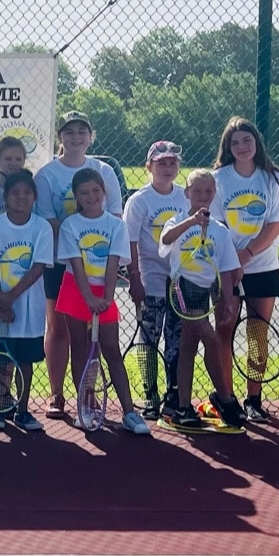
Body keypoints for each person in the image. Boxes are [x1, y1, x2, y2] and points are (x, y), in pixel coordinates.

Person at [36, 110, 126, 419]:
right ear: (60, 136)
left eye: (81, 131)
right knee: (58, 327)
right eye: (69, 131)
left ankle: (88, 396)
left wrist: (91, 246)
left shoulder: (104, 170)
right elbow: (49, 220)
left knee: (93, 332)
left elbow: (113, 214)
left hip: (97, 265)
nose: (75, 137)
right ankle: (57, 394)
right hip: (62, 262)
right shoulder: (46, 174)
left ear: (90, 136)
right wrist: (75, 241)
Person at [56, 166, 151, 435]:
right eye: (84, 192)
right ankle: (85, 406)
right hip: (75, 291)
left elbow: (112, 264)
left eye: (96, 191)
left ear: (104, 192)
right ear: (76, 196)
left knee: (111, 351)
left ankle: (129, 413)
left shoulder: (115, 225)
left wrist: (106, 297)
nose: (91, 196)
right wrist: (87, 296)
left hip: (104, 293)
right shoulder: (70, 225)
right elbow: (75, 264)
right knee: (80, 350)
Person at [212, 115, 279, 420]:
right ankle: (227, 398)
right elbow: (216, 226)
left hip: (263, 266)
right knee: (224, 330)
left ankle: (253, 400)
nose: (242, 146)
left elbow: (275, 224)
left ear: (256, 143)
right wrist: (232, 261)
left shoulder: (274, 178)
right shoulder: (217, 179)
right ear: (228, 147)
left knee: (257, 334)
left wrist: (248, 253)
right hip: (226, 269)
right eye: (235, 142)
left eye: (247, 140)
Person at [159, 170, 246, 432]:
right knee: (211, 339)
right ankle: (224, 398)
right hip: (182, 289)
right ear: (187, 193)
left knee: (189, 346)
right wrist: (191, 222)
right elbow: (165, 241)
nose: (203, 196)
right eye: (197, 191)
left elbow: (228, 267)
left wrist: (228, 302)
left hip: (207, 290)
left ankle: (184, 406)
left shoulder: (220, 231)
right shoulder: (176, 221)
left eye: (208, 192)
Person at [0, 168, 52, 434]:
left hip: (28, 309)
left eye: (27, 193)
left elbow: (38, 268)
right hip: (0, 307)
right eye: (15, 193)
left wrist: (10, 297)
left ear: (34, 197)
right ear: (6, 197)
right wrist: (0, 299)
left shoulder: (41, 227)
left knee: (24, 361)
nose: (21, 197)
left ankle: (22, 410)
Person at [123, 140, 189, 421]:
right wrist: (134, 279)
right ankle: (149, 396)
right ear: (148, 166)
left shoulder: (184, 197)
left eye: (172, 162)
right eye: (161, 162)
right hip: (150, 276)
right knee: (149, 338)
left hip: (178, 278)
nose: (167, 167)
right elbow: (131, 242)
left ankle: (172, 395)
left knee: (175, 339)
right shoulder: (140, 200)